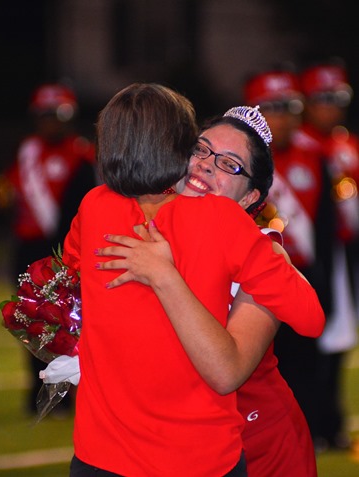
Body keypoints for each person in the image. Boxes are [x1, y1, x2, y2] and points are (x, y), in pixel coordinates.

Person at [61, 82, 324, 477]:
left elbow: (296, 328)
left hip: (262, 441)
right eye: (201, 149)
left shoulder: (251, 243)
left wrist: (163, 274)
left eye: (229, 165)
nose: (205, 165)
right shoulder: (123, 209)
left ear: (251, 198)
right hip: (177, 445)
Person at [242, 68, 335, 447]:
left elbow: (326, 229)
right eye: (273, 107)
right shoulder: (239, 161)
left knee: (309, 361)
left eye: (290, 107)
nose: (283, 116)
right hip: (255, 280)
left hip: (303, 274)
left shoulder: (316, 158)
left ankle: (314, 429)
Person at [4, 82, 97, 416]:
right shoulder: (25, 151)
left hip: (62, 253)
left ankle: (68, 398)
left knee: (68, 328)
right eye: (44, 115)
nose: (51, 122)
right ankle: (37, 393)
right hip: (27, 250)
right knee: (31, 326)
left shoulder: (82, 154)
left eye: (58, 114)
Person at [296, 60, 359, 451]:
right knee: (309, 343)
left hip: (346, 254)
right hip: (311, 256)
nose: (331, 107)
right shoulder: (301, 146)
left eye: (338, 98)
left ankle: (330, 419)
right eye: (322, 99)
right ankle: (313, 422)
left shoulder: (348, 144)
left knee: (340, 336)